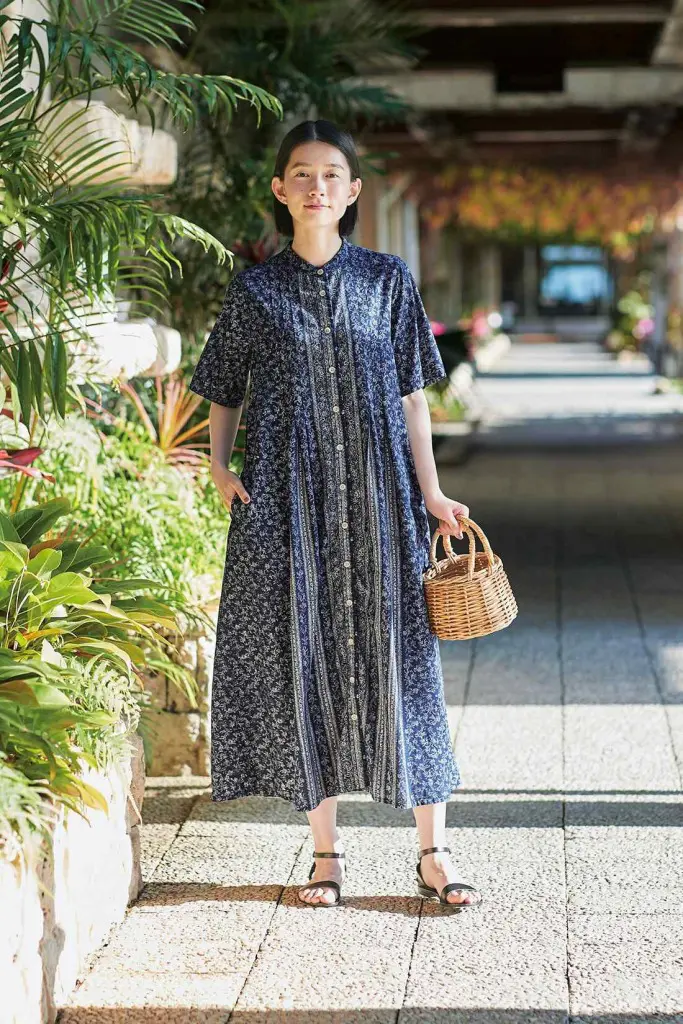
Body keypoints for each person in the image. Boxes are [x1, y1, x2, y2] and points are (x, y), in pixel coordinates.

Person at [188, 119, 482, 910]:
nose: (316, 186)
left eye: (330, 175)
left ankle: (433, 854)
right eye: (301, 173)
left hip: (382, 499)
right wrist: (219, 465)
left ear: (351, 192)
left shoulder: (387, 280)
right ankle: (325, 857)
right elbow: (223, 387)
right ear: (280, 190)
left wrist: (430, 492)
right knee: (303, 659)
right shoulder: (255, 291)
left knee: (403, 662)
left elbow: (412, 397)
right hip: (286, 501)